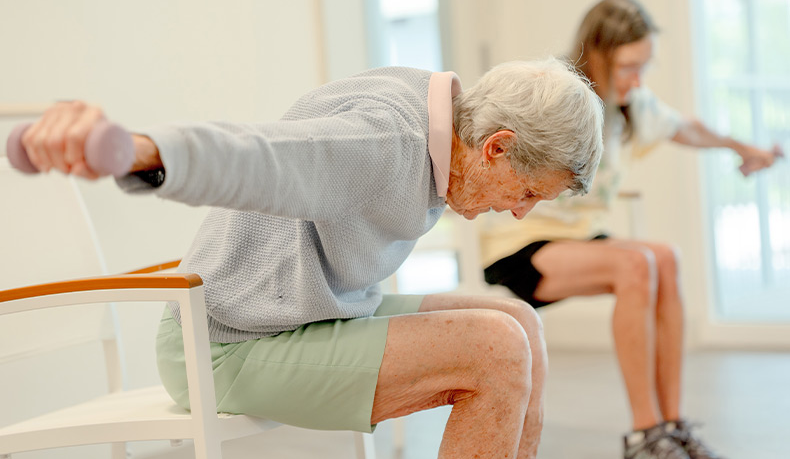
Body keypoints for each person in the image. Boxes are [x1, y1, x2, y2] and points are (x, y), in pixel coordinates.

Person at [18, 58, 603, 459]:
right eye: (528, 193)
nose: (521, 214)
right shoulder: (385, 140)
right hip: (222, 343)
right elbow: (265, 157)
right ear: (496, 146)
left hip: (310, 314)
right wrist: (135, 151)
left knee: (519, 320)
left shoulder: (442, 120)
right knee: (495, 350)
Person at [482, 0, 783, 459]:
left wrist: (743, 148)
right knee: (638, 263)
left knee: (665, 256)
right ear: (598, 56)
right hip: (520, 242)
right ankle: (646, 436)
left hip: (583, 240)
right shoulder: (553, 94)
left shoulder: (628, 105)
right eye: (628, 67)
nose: (638, 80)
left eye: (644, 67)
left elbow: (690, 127)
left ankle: (671, 426)